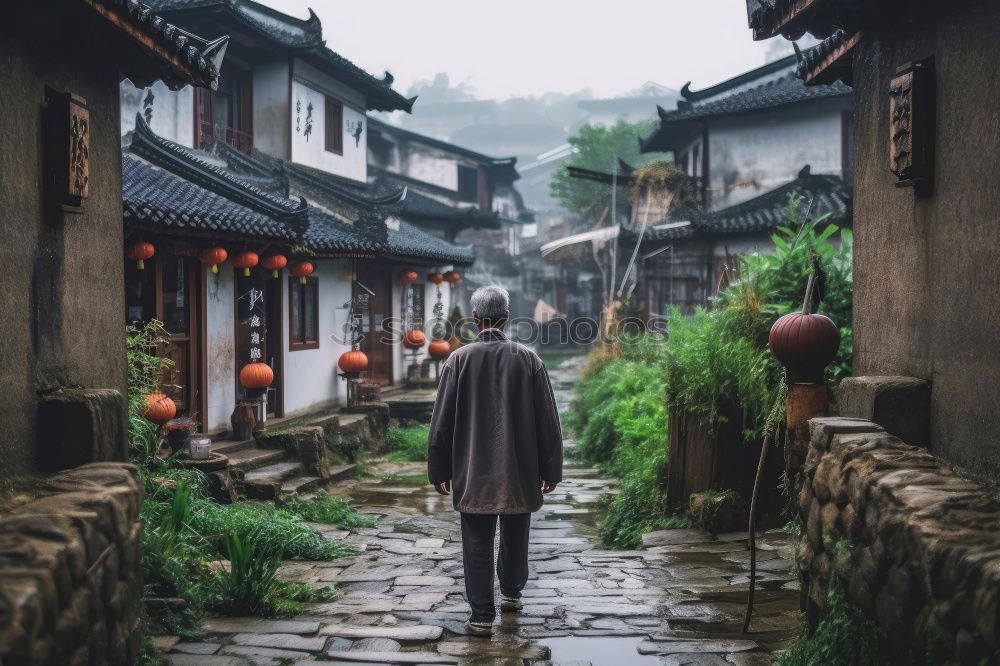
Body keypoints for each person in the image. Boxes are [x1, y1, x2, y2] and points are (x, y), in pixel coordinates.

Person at [426, 285, 563, 636]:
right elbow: (548, 421)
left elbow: (440, 422)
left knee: (476, 541)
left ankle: (482, 616)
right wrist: (551, 469)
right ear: (506, 318)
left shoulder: (458, 360)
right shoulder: (529, 359)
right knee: (516, 533)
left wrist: (439, 468)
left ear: (474, 319)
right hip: (519, 469)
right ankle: (512, 594)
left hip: (473, 470)